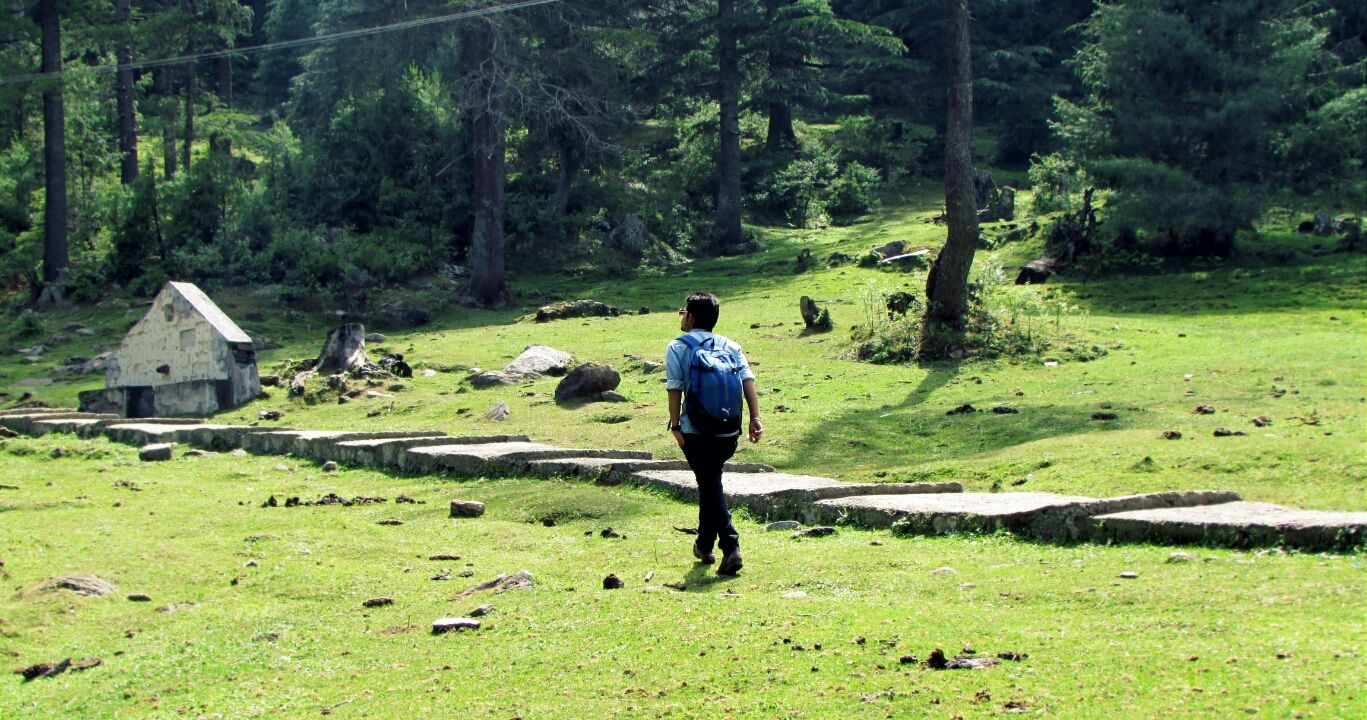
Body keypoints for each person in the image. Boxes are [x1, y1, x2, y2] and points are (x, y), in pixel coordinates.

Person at [665, 292, 763, 576]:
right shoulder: (730, 345)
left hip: (696, 429)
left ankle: (731, 546)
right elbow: (747, 381)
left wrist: (675, 425)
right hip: (728, 429)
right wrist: (755, 418)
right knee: (710, 481)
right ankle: (704, 543)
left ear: (692, 316)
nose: (681, 316)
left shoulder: (678, 347)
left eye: (684, 312)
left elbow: (675, 388)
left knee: (709, 484)